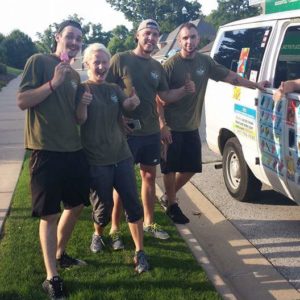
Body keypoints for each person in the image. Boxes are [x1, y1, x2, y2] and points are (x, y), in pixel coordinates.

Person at [157, 22, 269, 224]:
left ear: (198, 39)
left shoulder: (204, 62)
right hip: (171, 127)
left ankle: (168, 195)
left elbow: (231, 77)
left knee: (191, 167)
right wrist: (162, 125)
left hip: (191, 125)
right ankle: (172, 205)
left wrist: (255, 85)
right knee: (169, 168)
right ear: (179, 40)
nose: (189, 41)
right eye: (184, 38)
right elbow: (159, 98)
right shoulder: (171, 65)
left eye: (192, 37)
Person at [17, 20, 89, 299]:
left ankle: (60, 253)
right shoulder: (38, 61)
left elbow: (77, 119)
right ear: (57, 37)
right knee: (49, 214)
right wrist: (53, 83)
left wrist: (82, 106)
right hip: (45, 150)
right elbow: (23, 100)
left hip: (73, 149)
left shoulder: (74, 75)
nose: (74, 42)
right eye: (69, 36)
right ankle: (52, 277)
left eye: (78, 39)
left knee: (77, 204)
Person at [106, 19, 195, 242]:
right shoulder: (121, 59)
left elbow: (164, 96)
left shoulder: (157, 67)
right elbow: (105, 89)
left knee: (149, 177)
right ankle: (115, 227)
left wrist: (184, 90)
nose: (151, 38)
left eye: (155, 34)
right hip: (126, 133)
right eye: (147, 33)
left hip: (150, 133)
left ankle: (149, 223)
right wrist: (119, 115)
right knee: (122, 180)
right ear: (137, 35)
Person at [76, 43, 149, 274]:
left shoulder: (112, 88)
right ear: (87, 64)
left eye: (104, 61)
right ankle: (98, 234)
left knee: (132, 203)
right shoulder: (82, 89)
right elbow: (79, 120)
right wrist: (82, 105)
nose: (101, 65)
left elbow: (125, 106)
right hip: (97, 159)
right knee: (102, 208)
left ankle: (140, 252)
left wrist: (132, 102)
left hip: (122, 155)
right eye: (96, 61)